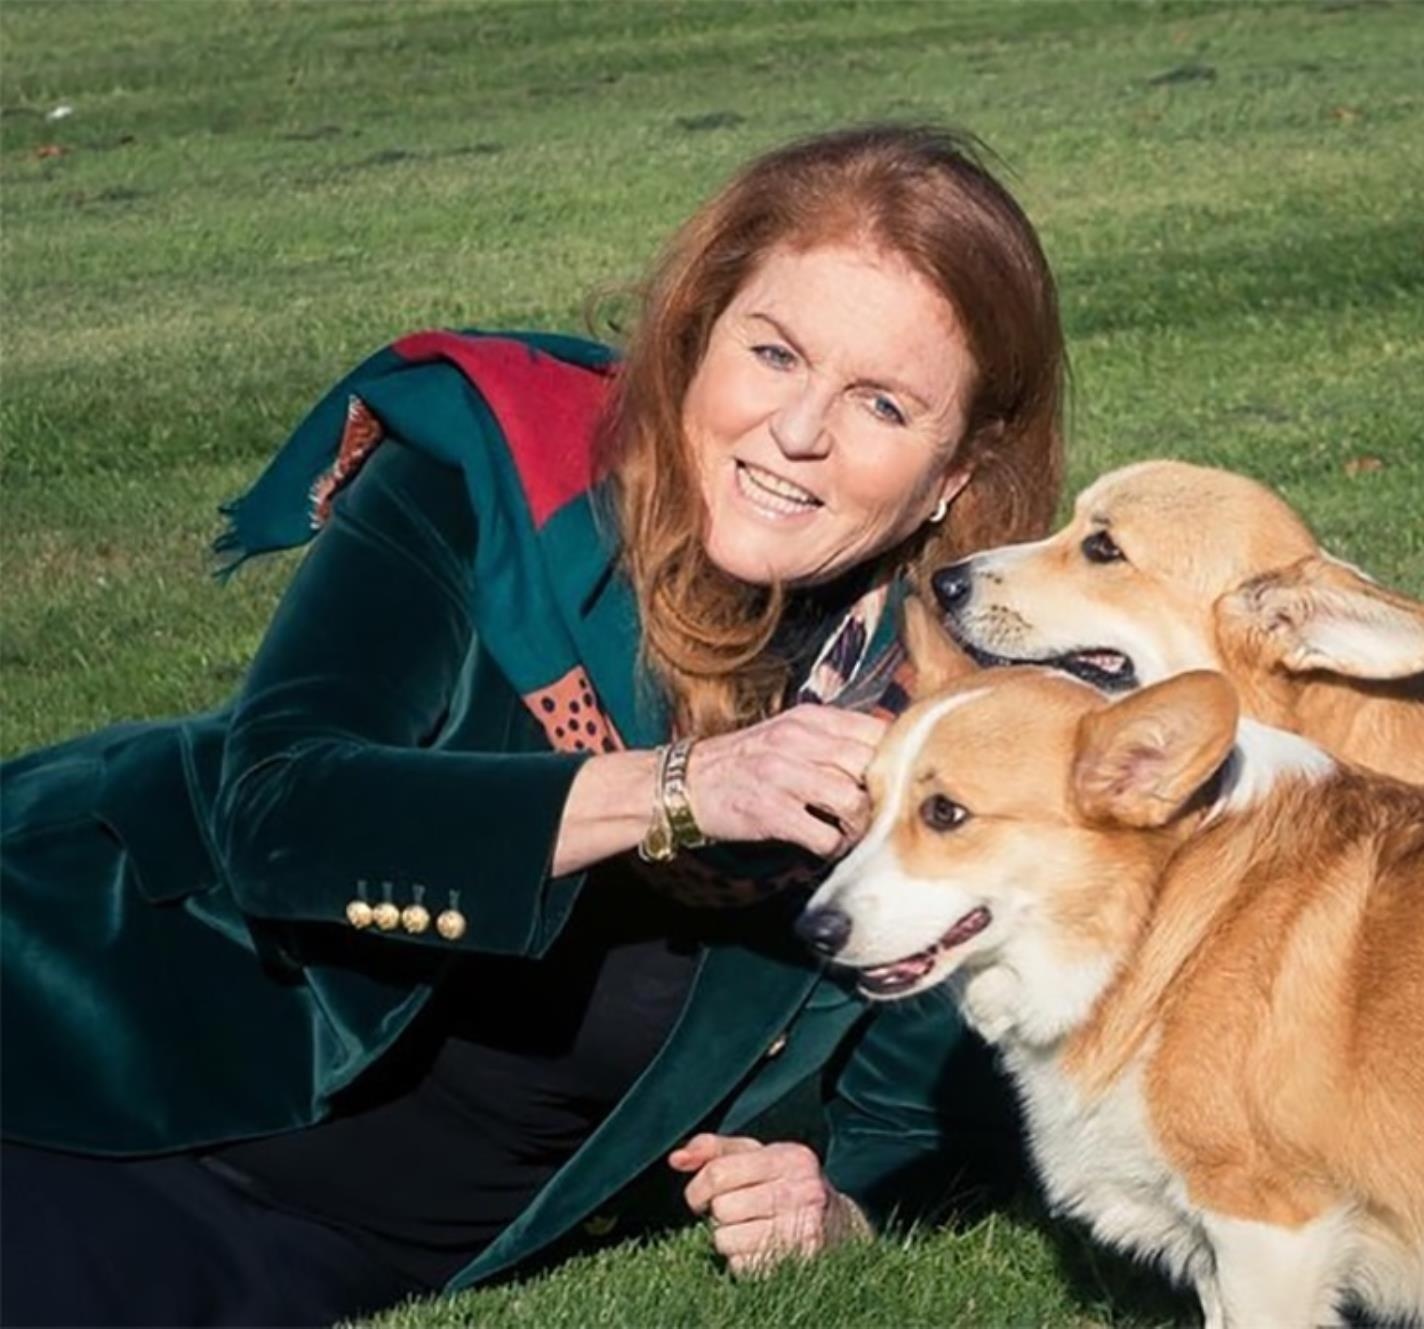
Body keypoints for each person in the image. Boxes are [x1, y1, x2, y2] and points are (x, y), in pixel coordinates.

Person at [0, 124, 1067, 1327]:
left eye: (881, 403)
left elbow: (939, 1104)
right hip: (78, 1025)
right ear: (694, 338)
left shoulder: (945, 727)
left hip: (334, 1241)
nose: (800, 430)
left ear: (956, 474)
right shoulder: (497, 480)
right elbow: (279, 810)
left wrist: (837, 1207)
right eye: (773, 353)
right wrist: (676, 790)